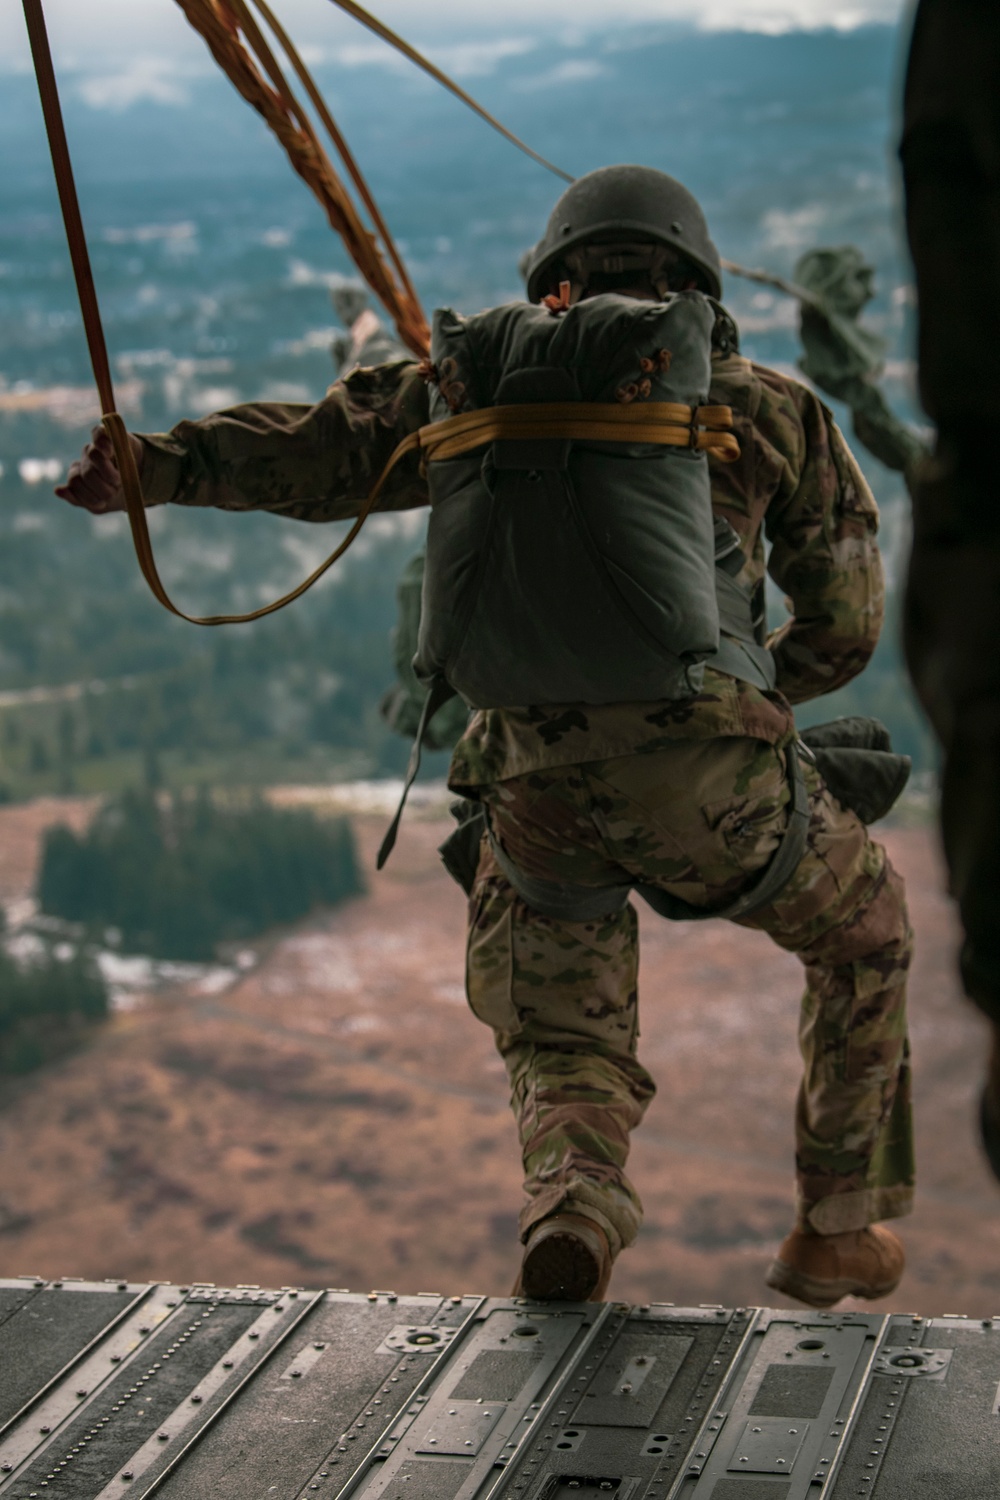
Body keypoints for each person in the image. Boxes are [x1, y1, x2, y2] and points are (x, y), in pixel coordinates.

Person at [56, 165, 914, 1307]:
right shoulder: (764, 406)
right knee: (865, 940)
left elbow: (322, 449)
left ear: (552, 283)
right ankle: (832, 1227)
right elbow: (849, 624)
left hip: (531, 785)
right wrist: (748, 709)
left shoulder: (472, 392)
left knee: (563, 1024)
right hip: (713, 777)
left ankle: (576, 1202)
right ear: (694, 283)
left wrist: (157, 467)